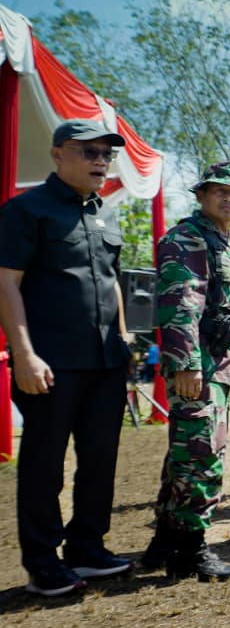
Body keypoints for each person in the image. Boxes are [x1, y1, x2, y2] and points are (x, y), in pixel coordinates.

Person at [0, 119, 134, 595]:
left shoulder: (106, 214)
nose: (101, 161)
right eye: (89, 152)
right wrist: (23, 354)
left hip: (106, 362)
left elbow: (112, 284)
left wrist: (123, 342)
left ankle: (87, 548)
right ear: (58, 155)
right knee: (44, 465)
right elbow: (7, 283)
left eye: (106, 154)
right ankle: (43, 563)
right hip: (50, 363)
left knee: (99, 459)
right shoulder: (26, 210)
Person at [144, 162, 230, 579]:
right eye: (220, 191)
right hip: (199, 367)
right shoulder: (187, 238)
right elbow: (180, 303)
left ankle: (164, 542)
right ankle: (190, 550)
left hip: (223, 364)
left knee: (187, 453)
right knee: (201, 454)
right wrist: (187, 364)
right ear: (201, 195)